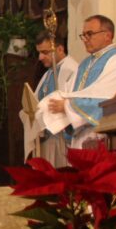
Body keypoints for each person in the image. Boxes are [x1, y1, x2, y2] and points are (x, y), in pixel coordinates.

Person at [41, 15, 116, 148]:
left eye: (90, 34)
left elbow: (109, 99)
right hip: (81, 132)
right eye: (83, 35)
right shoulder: (85, 63)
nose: (85, 39)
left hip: (102, 134)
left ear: (108, 35)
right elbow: (68, 92)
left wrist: (67, 106)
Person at [20, 32, 78, 166]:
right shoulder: (49, 73)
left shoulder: (71, 70)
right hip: (46, 138)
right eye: (39, 52)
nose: (40, 57)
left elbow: (74, 103)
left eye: (45, 52)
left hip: (63, 138)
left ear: (60, 49)